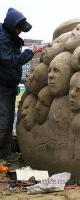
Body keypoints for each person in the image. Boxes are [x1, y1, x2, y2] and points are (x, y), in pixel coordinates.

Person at [0, 8, 42, 161]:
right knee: (3, 120)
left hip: (8, 85)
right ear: (12, 26)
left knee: (8, 119)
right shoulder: (2, 38)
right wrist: (31, 52)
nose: (19, 32)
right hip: (2, 86)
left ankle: (5, 153)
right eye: (18, 29)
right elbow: (11, 60)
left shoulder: (9, 36)